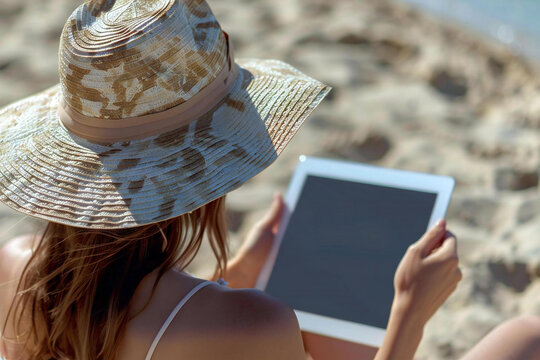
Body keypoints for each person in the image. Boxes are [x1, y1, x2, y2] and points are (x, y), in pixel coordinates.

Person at [0, 0, 539, 359]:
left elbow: (131, 320)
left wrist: (235, 271)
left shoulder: (17, 267)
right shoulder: (254, 324)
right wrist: (409, 313)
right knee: (525, 336)